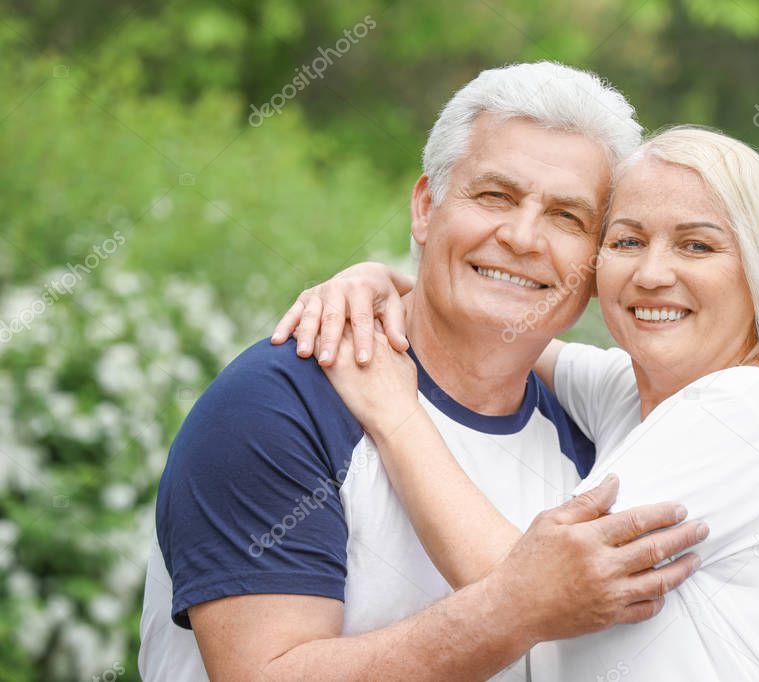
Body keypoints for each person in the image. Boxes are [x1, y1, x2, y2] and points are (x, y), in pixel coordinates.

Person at [138, 62, 708, 681]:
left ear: (598, 263)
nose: (521, 236)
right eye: (496, 196)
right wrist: (514, 607)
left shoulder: (597, 434)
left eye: (567, 217)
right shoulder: (280, 403)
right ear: (425, 207)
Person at [276, 126, 759, 680]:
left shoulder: (749, 413)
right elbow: (496, 319)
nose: (653, 274)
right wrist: (374, 282)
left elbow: (524, 588)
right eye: (628, 241)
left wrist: (394, 414)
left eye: (697, 246)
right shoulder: (635, 394)